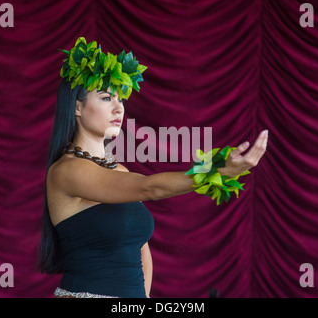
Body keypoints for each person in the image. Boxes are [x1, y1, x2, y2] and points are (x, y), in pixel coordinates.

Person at [38, 37, 269, 298]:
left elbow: (140, 249)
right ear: (77, 107)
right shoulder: (67, 171)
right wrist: (214, 168)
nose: (118, 108)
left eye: (121, 100)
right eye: (105, 98)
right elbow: (151, 188)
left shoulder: (119, 171)